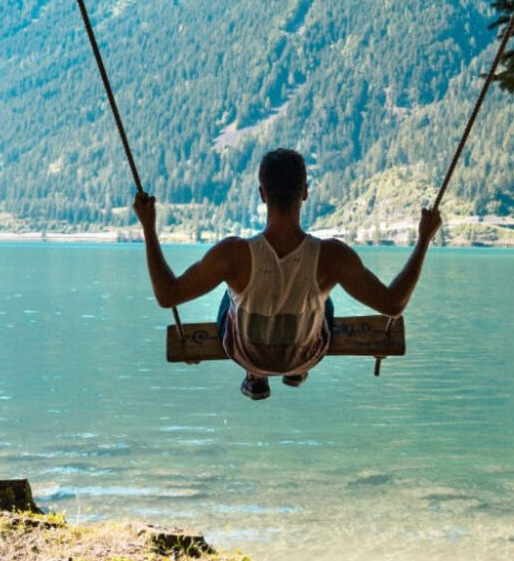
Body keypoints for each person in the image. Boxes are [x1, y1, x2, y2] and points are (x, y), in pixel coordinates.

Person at [133, 148, 442, 400]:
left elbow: (167, 295)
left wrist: (148, 227)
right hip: (305, 355)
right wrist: (424, 239)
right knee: (324, 299)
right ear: (304, 193)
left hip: (246, 354)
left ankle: (255, 375)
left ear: (262, 194)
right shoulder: (331, 257)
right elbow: (393, 304)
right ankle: (296, 371)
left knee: (230, 295)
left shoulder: (233, 255)